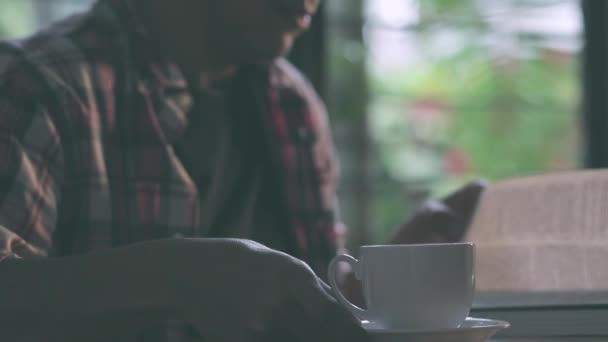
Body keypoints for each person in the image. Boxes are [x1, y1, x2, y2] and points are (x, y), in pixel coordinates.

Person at [0, 0, 485, 340]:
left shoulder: (292, 103)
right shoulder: (38, 84)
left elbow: (302, 302)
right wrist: (175, 277)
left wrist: (385, 287)